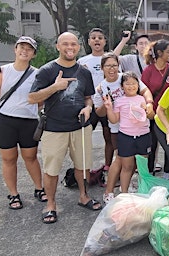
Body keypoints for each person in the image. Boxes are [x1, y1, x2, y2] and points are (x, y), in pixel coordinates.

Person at [28, 32, 101, 224]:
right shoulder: (47, 70)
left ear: (79, 47)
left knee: (83, 165)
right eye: (65, 44)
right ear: (58, 47)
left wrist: (88, 107)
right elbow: (32, 98)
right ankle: (50, 204)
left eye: (74, 44)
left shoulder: (84, 72)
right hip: (53, 128)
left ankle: (83, 196)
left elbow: (88, 97)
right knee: (51, 169)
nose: (70, 47)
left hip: (80, 127)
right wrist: (55, 87)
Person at [0, 36, 46, 210]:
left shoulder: (37, 74)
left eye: (29, 48)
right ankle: (13, 194)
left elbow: (40, 99)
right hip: (5, 120)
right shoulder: (1, 70)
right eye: (21, 47)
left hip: (28, 121)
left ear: (33, 53)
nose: (24, 51)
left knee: (31, 157)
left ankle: (39, 188)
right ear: (15, 49)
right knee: (9, 158)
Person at [92, 53, 153, 203]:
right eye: (108, 66)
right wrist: (107, 106)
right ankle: (109, 191)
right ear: (102, 68)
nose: (112, 69)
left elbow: (145, 91)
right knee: (120, 160)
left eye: (114, 65)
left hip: (140, 131)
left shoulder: (126, 77)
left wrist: (149, 104)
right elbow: (98, 112)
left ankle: (125, 188)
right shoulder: (101, 88)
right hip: (118, 129)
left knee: (131, 161)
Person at [103, 71, 152, 196]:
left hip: (143, 135)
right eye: (127, 84)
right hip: (126, 137)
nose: (131, 86)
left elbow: (150, 116)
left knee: (142, 168)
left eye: (134, 83)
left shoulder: (142, 99)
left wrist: (147, 108)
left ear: (138, 85)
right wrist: (109, 108)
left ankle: (143, 192)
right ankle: (124, 194)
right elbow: (114, 120)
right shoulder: (119, 101)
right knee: (127, 167)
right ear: (122, 86)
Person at [141, 39, 169, 178]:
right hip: (152, 114)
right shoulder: (148, 71)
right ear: (159, 53)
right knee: (152, 145)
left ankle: (167, 173)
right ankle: (150, 173)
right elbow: (142, 91)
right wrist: (149, 108)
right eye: (168, 51)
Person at [77, 28, 112, 176]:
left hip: (107, 104)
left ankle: (108, 167)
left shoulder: (111, 59)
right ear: (89, 42)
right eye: (93, 38)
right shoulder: (82, 61)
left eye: (100, 37)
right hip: (89, 104)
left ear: (105, 41)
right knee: (84, 138)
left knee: (109, 136)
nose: (97, 40)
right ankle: (85, 168)